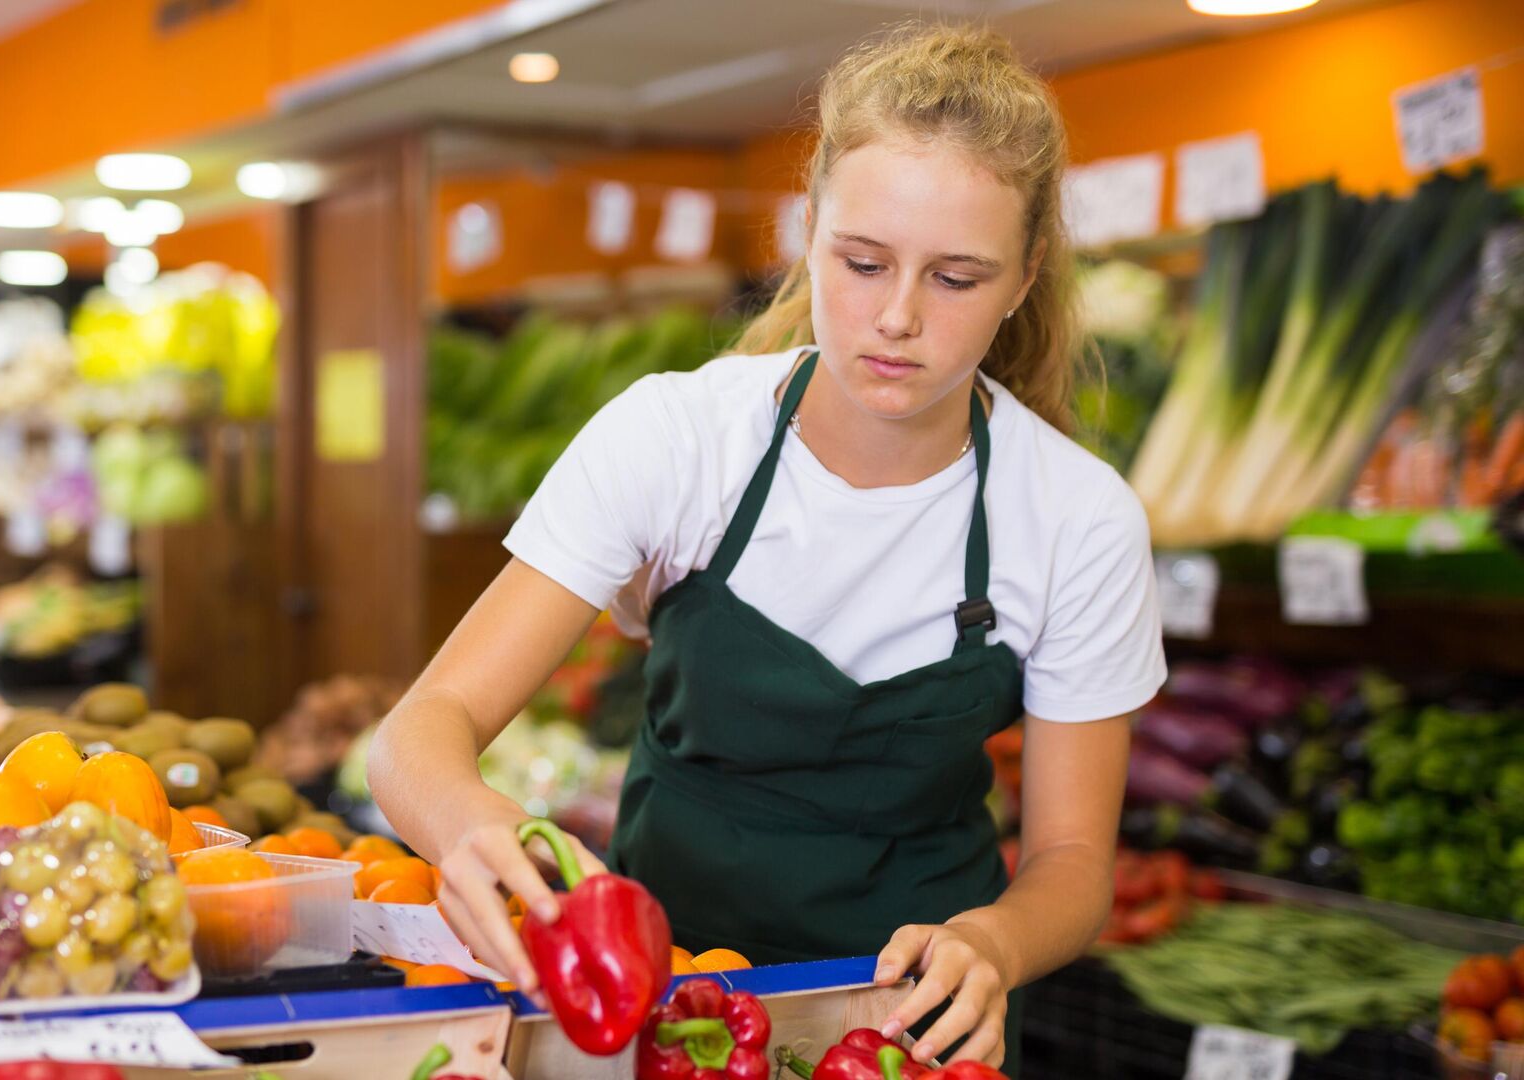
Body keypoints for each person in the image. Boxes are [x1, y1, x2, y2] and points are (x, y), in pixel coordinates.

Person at [368, 22, 1164, 1074]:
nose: (898, 316)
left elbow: (1070, 859)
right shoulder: (678, 438)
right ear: (809, 235)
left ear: (1025, 279)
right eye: (862, 261)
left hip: (905, 1027)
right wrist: (470, 820)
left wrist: (995, 941)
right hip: (660, 1004)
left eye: (958, 278)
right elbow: (423, 727)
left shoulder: (1075, 517)